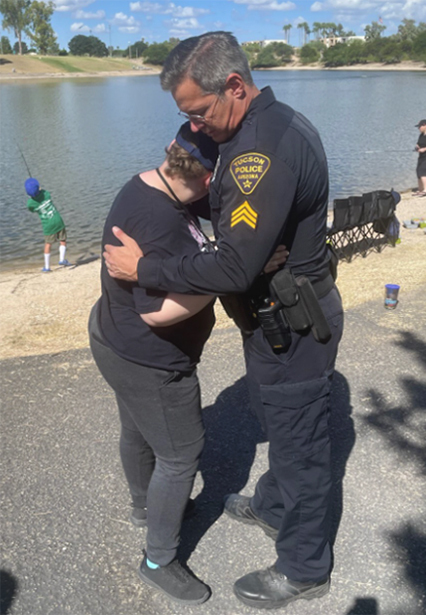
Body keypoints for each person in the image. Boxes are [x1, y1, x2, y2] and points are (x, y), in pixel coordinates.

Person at [103, 31, 344, 610]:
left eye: (200, 112)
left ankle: (304, 567)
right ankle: (273, 505)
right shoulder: (266, 123)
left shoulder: (263, 150)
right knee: (282, 424)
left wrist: (146, 266)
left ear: (234, 86)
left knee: (301, 446)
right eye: (185, 116)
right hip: (273, 319)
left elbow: (234, 265)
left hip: (293, 324)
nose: (196, 125)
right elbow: (241, 235)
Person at [90, 123, 288, 606]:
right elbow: (157, 312)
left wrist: (248, 244)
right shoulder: (156, 220)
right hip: (149, 358)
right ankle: (158, 559)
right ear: (204, 176)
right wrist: (232, 274)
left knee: (138, 431)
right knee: (181, 454)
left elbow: (219, 220)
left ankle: (146, 508)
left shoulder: (155, 182)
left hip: (113, 340)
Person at [24, 178, 71, 271]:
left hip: (48, 225)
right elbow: (44, 192)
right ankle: (62, 259)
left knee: (48, 244)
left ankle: (47, 266)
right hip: (58, 220)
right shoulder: (46, 193)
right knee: (63, 240)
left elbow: (32, 209)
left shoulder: (30, 204)